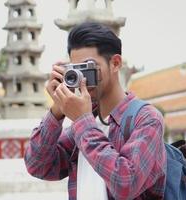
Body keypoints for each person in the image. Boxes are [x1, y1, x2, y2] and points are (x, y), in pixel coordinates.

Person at [24, 22, 167, 200]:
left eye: (89, 67)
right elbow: (38, 166)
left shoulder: (145, 118)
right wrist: (56, 111)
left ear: (115, 63)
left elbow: (125, 184)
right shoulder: (87, 120)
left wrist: (82, 122)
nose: (82, 78)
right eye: (76, 69)